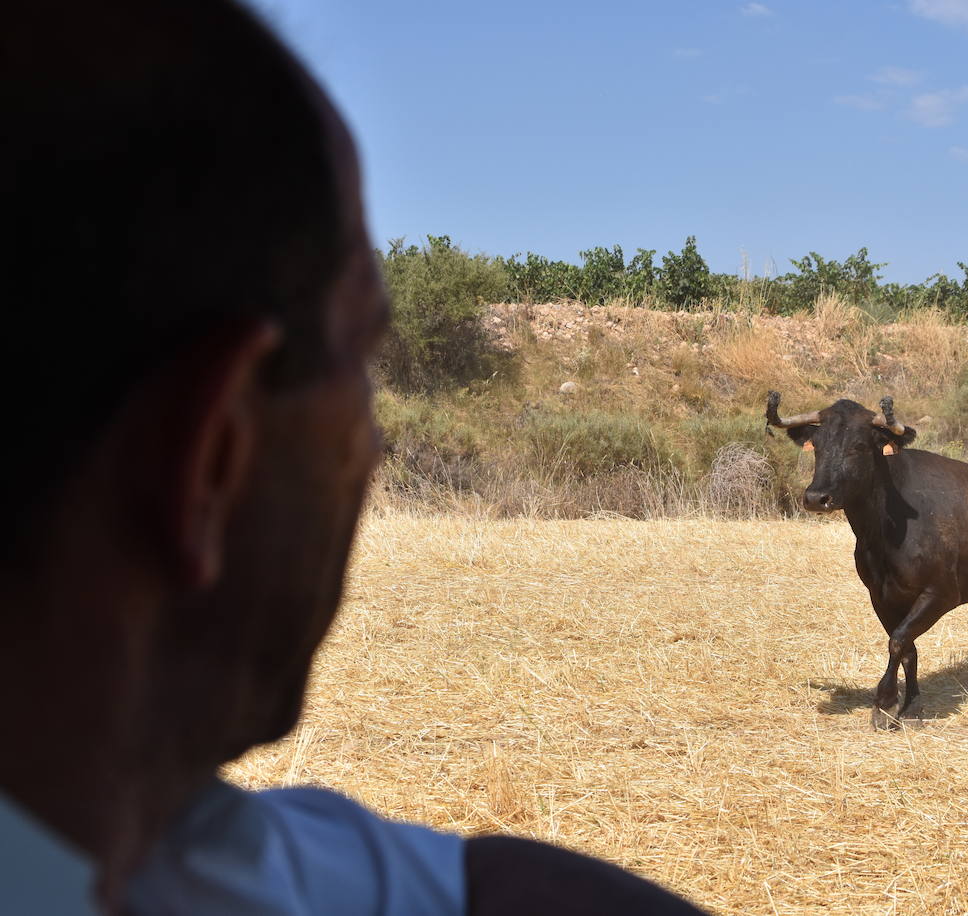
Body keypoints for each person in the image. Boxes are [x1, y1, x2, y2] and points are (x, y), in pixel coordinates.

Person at [0, 2, 704, 913]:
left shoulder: (141, 843)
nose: (371, 448)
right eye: (360, 356)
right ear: (211, 456)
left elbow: (466, 892)